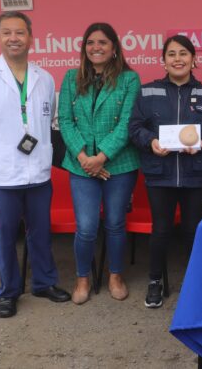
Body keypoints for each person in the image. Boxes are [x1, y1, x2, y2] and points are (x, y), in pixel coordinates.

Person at [0, 11, 70, 318]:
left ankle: (44, 283)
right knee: (4, 235)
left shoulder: (45, 79)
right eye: (7, 33)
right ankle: (9, 292)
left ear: (31, 38)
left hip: (38, 174)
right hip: (1, 175)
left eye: (20, 33)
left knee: (41, 232)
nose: (14, 38)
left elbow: (47, 120)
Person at [129, 35, 202, 308]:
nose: (178, 59)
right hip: (160, 173)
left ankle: (197, 283)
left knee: (193, 231)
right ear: (163, 60)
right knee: (160, 230)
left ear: (193, 60)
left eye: (183, 53)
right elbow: (134, 128)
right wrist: (151, 142)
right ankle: (155, 281)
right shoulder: (147, 92)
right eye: (172, 54)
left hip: (196, 173)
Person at [57, 23, 141, 304]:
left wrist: (101, 157)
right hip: (80, 165)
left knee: (116, 223)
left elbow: (128, 123)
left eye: (103, 42)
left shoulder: (129, 79)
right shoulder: (71, 78)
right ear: (84, 48)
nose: (96, 47)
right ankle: (83, 279)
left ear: (114, 48)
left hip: (118, 164)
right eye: (91, 42)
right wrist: (84, 159)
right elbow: (65, 121)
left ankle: (115, 276)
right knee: (86, 226)